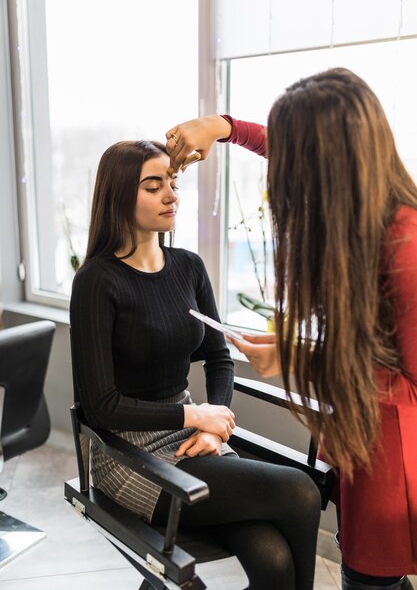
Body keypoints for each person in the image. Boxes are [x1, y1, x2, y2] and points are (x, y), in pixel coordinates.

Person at [165, 67, 417, 590]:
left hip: (399, 464)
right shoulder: (367, 221)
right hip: (366, 443)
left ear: (326, 163)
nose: (282, 177)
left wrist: (300, 359)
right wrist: (223, 126)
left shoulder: (406, 251)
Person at [69, 139, 321, 590]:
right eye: (153, 186)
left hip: (194, 439)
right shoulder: (96, 281)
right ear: (119, 196)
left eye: (172, 182)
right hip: (126, 453)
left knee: (273, 559)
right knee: (300, 490)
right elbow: (101, 406)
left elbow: (220, 357)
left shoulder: (188, 267)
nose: (171, 195)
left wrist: (213, 426)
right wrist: (194, 414)